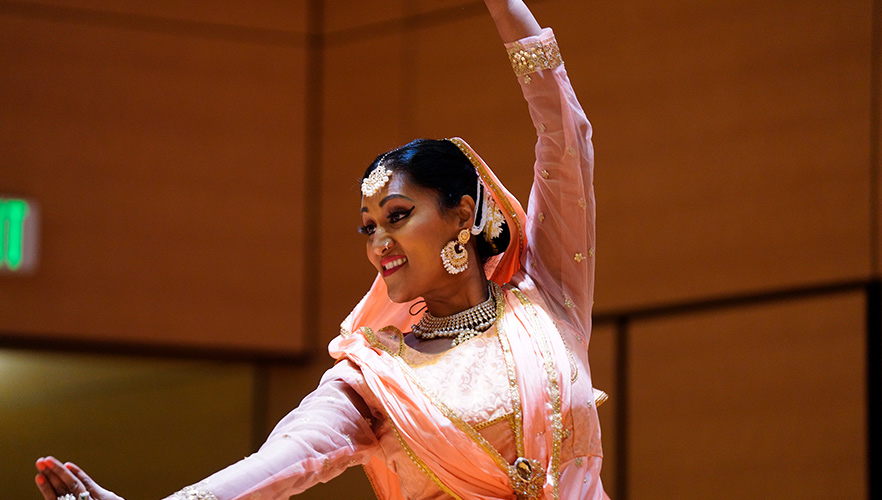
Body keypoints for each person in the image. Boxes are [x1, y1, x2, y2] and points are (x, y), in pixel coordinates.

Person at [34, 0, 608, 498]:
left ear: (461, 214)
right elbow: (282, 464)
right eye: (368, 228)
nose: (379, 243)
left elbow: (566, 138)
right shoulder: (374, 375)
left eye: (397, 216)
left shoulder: (547, 297)